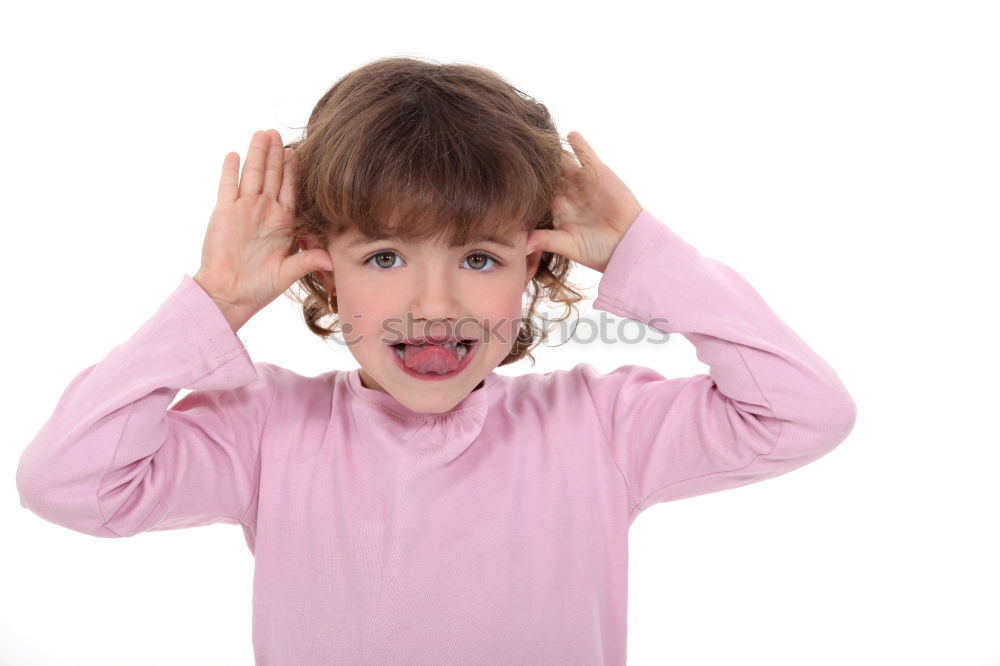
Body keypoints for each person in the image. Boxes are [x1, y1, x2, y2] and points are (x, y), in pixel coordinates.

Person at [15, 56, 857, 665]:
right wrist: (217, 299)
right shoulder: (268, 430)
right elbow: (69, 481)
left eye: (479, 259)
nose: (435, 304)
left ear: (536, 266)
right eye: (384, 257)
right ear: (319, 262)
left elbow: (803, 412)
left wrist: (646, 252)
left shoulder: (597, 428)